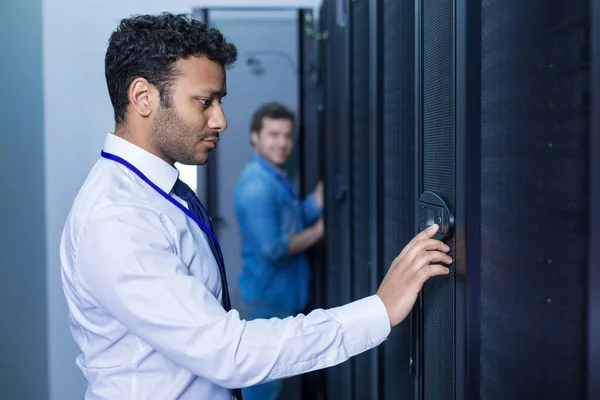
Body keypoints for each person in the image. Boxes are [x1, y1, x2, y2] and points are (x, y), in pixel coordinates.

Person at [59, 13, 452, 400]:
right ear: (143, 97)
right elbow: (227, 352)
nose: (221, 120)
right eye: (204, 101)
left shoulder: (157, 191)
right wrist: (379, 310)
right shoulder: (118, 218)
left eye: (220, 101)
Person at [233, 102, 324, 399]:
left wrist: (316, 201)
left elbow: (293, 222)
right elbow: (274, 248)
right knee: (263, 387)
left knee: (271, 384)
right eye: (273, 134)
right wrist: (319, 231)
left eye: (287, 135)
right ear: (254, 136)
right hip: (269, 301)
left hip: (282, 298)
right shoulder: (256, 187)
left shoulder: (275, 178)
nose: (283, 143)